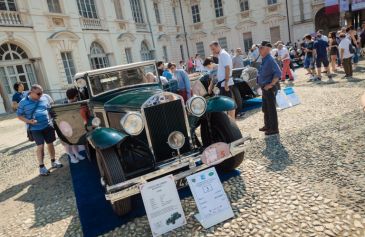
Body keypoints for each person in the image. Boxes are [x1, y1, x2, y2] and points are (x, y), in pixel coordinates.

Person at [17, 84, 63, 176]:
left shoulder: (44, 98)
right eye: (38, 94)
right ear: (31, 92)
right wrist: (29, 121)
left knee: (50, 144)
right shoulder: (23, 102)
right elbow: (19, 115)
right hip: (35, 128)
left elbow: (49, 108)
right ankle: (41, 167)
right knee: (40, 146)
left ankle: (53, 161)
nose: (41, 95)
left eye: (42, 93)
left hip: (47, 126)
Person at [257, 41, 281, 135]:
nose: (259, 50)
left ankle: (274, 129)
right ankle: (267, 126)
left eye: (261, 48)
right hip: (264, 88)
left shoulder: (270, 59)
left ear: (267, 49)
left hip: (269, 88)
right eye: (259, 48)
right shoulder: (265, 59)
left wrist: (271, 84)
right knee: (265, 108)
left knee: (271, 109)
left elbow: (278, 73)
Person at [209, 41, 235, 120]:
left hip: (225, 83)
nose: (212, 51)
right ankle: (230, 120)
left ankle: (232, 121)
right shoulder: (221, 55)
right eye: (212, 50)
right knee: (227, 102)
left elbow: (227, 68)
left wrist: (226, 82)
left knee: (229, 103)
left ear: (217, 46)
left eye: (213, 49)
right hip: (224, 82)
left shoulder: (223, 54)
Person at [63, 88, 86, 164]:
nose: (77, 97)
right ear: (74, 96)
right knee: (68, 143)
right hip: (66, 127)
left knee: (74, 141)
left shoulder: (78, 102)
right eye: (76, 95)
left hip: (74, 125)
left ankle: (77, 154)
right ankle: (71, 157)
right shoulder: (64, 104)